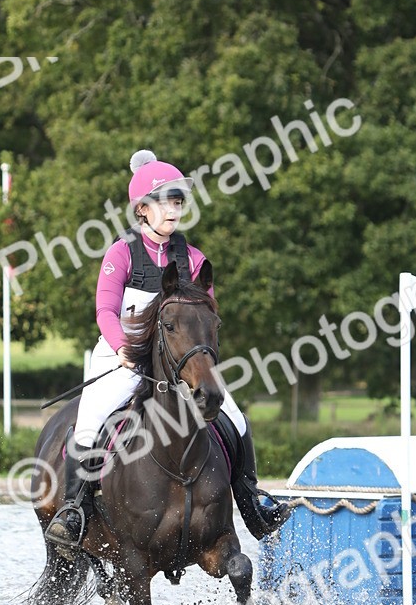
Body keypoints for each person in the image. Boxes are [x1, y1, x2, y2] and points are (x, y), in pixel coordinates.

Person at [45, 150, 291, 550]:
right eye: (165, 201)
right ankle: (74, 510)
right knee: (89, 422)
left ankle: (251, 501)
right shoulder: (121, 253)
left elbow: (204, 314)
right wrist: (121, 346)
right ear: (142, 210)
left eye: (178, 201)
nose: (174, 209)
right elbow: (104, 309)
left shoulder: (193, 258)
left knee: (235, 417)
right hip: (121, 354)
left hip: (178, 362)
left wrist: (201, 362)